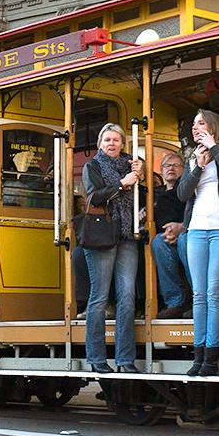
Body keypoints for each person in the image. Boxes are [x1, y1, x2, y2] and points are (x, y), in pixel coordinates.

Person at [177, 109, 219, 376]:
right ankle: (198, 353)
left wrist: (214, 149)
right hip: (196, 230)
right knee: (199, 295)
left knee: (214, 293)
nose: (196, 127)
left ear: (214, 126)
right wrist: (199, 165)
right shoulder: (193, 156)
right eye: (193, 123)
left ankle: (212, 355)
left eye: (201, 123)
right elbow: (183, 193)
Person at [82, 122, 144, 373]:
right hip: (102, 236)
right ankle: (97, 358)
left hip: (128, 235)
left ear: (122, 143)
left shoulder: (133, 165)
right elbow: (94, 196)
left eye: (116, 140)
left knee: (127, 297)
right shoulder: (92, 165)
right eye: (107, 140)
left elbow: (146, 193)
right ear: (100, 143)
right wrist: (123, 183)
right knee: (99, 298)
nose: (111, 144)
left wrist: (140, 175)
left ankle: (125, 359)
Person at [152, 152, 188, 319]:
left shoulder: (188, 188)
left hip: (187, 232)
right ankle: (175, 301)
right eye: (167, 165)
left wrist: (181, 227)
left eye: (176, 165)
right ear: (161, 170)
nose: (171, 168)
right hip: (164, 237)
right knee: (158, 242)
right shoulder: (154, 193)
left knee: (184, 241)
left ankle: (197, 298)